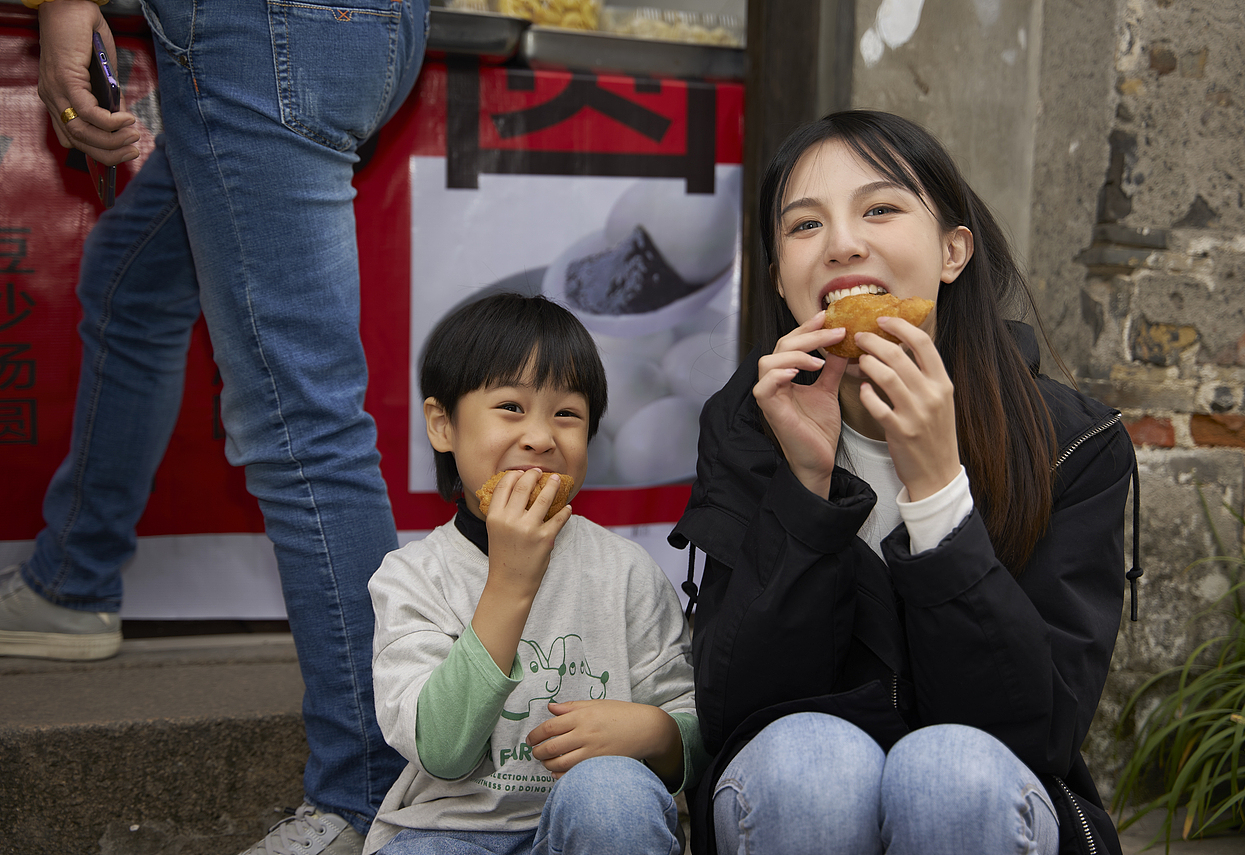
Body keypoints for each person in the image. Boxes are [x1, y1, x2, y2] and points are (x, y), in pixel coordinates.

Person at [0, 0, 428, 852]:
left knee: (301, 421)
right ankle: (71, 583)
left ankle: (373, 795)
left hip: (262, 29)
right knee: (134, 281)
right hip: (351, 26)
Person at [668, 110, 1136, 855]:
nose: (843, 243)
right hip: (793, 795)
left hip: (989, 794)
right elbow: (737, 712)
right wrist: (806, 484)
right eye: (803, 226)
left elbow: (1038, 734)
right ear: (781, 280)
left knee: (945, 768)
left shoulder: (1071, 442)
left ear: (952, 252)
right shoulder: (747, 422)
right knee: (811, 760)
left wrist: (938, 490)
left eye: (880, 208)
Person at [365, 293, 709, 855]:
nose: (541, 437)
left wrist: (655, 732)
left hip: (592, 821)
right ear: (442, 425)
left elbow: (695, 727)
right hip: (452, 831)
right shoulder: (411, 578)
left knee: (613, 791)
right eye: (511, 407)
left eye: (567, 414)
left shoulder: (624, 571)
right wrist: (510, 581)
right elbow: (444, 750)